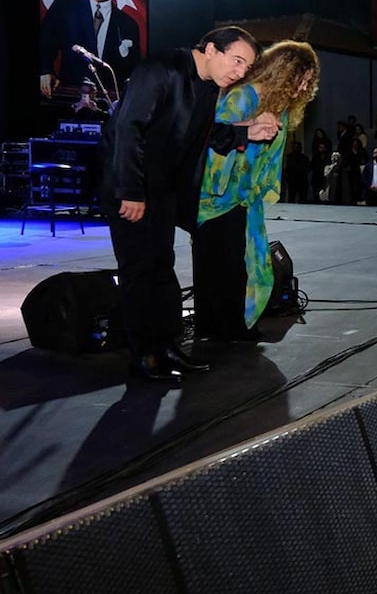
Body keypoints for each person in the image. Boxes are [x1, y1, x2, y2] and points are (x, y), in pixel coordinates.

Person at [99, 25, 262, 381]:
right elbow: (128, 127)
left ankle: (167, 348)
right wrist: (131, 191)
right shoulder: (160, 69)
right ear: (210, 50)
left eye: (246, 68)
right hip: (133, 188)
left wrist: (246, 132)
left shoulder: (207, 87)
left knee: (162, 269)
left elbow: (202, 135)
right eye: (236, 61)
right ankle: (144, 356)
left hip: (164, 191)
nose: (239, 72)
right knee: (139, 272)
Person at [193, 40, 318, 344]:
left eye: (307, 85)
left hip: (244, 198)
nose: (302, 90)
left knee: (247, 265)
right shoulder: (243, 98)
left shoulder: (279, 108)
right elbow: (210, 142)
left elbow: (268, 161)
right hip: (217, 197)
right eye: (299, 81)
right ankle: (221, 330)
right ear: (283, 72)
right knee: (221, 265)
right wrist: (248, 130)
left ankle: (232, 326)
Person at [39, 0, 142, 102]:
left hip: (110, 104)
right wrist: (46, 71)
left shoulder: (127, 24)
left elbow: (133, 69)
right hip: (69, 97)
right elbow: (44, 44)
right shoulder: (64, 8)